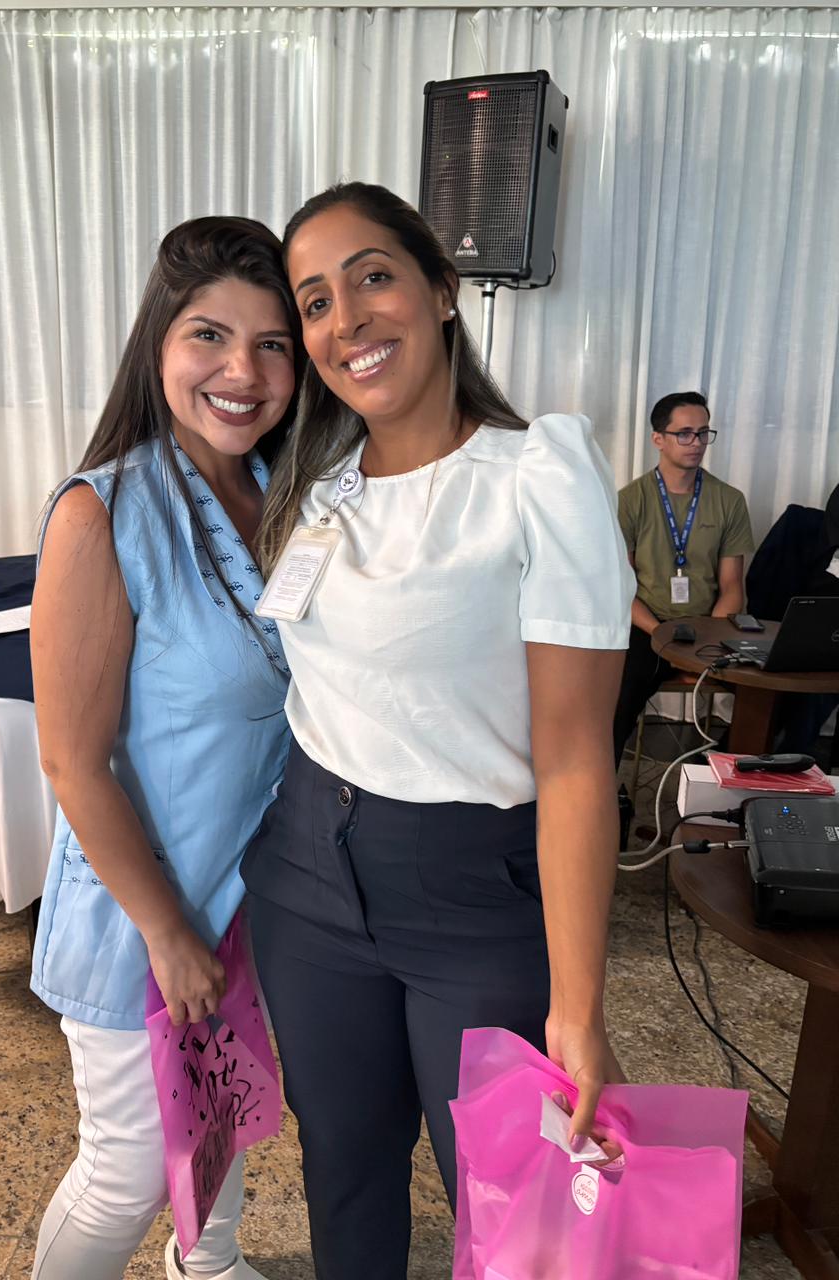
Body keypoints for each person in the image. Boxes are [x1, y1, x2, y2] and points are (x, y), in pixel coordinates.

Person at [239, 182, 634, 1280]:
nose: (347, 321)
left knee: (508, 1209)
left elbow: (574, 761)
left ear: (443, 289)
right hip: (307, 876)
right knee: (345, 1172)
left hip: (473, 893)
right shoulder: (314, 486)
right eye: (316, 302)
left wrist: (580, 1004)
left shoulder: (533, 477)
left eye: (373, 277)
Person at [28, 217, 301, 1280]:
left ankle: (211, 1260)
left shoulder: (285, 493)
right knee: (128, 1168)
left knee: (222, 1104)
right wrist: (167, 929)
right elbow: (72, 760)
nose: (243, 372)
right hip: (146, 911)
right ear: (159, 345)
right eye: (209, 336)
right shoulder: (102, 513)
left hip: (255, 899)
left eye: (272, 343)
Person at [613, 391, 754, 766]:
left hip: (710, 628)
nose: (697, 442)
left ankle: (722, 777)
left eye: (704, 433)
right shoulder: (630, 500)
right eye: (685, 433)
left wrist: (707, 638)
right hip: (648, 627)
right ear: (658, 438)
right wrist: (663, 636)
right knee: (616, 698)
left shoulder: (728, 500)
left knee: (765, 696)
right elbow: (621, 588)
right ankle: (605, 791)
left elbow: (732, 587)